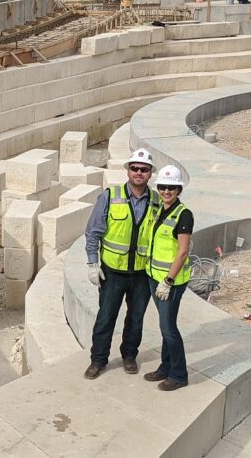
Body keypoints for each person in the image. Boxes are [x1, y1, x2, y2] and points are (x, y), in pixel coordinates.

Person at [83, 148, 160, 379]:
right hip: (113, 272)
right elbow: (93, 232)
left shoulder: (157, 201)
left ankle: (129, 355)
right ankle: (98, 360)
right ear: (128, 170)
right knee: (106, 317)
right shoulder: (110, 195)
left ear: (150, 174)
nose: (138, 173)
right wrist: (92, 264)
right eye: (134, 168)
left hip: (141, 273)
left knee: (136, 319)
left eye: (143, 170)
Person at [143, 164, 195, 392]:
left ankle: (179, 374)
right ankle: (165, 367)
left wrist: (169, 281)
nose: (166, 191)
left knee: (168, 328)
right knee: (165, 327)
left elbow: (182, 251)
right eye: (163, 187)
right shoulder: (160, 210)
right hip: (154, 276)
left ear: (179, 190)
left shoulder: (183, 215)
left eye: (171, 188)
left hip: (170, 282)